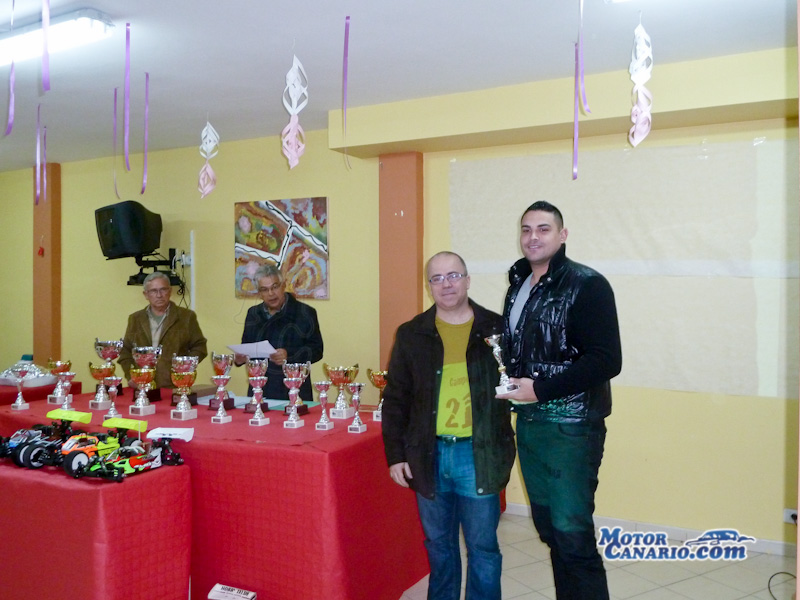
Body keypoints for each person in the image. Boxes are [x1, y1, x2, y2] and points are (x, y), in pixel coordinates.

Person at [497, 201, 622, 600]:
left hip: (572, 427)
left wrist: (541, 390)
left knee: (572, 535)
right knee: (551, 530)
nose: (533, 237)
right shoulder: (519, 285)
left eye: (543, 229)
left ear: (562, 235)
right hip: (530, 422)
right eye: (526, 229)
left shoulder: (588, 284)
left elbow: (607, 360)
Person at [382, 251, 516, 600]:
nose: (446, 284)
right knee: (439, 546)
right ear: (429, 286)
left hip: (479, 454)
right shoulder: (412, 334)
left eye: (453, 275)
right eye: (437, 278)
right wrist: (396, 455)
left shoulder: (498, 329)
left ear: (468, 280)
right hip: (429, 455)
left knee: (483, 548)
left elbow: (518, 386)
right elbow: (395, 400)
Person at [234, 264, 323, 402]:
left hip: (295, 392)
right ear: (259, 293)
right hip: (259, 390)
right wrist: (240, 358)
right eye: (264, 289)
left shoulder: (305, 313)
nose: (271, 293)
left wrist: (289, 355)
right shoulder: (253, 314)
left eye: (275, 287)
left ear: (284, 286)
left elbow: (317, 351)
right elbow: (246, 345)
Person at [119, 271, 208, 389]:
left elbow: (200, 347)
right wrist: (131, 376)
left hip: (175, 386)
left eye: (163, 290)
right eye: (153, 291)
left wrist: (184, 368)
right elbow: (125, 351)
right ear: (146, 294)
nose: (159, 295)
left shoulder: (186, 317)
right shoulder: (135, 318)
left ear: (170, 291)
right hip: (141, 387)